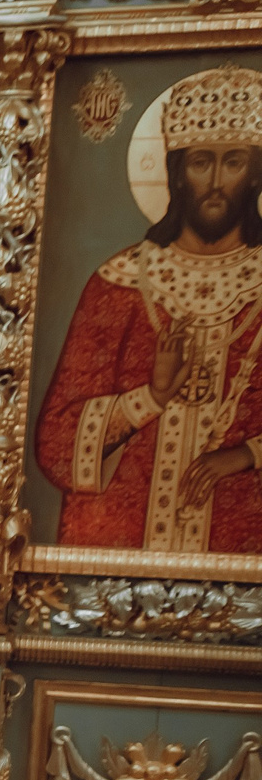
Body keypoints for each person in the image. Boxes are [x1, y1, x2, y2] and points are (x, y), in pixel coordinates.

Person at [36, 65, 262, 553]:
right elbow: (55, 443)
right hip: (110, 561)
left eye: (234, 162)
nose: (216, 182)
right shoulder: (117, 285)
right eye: (200, 162)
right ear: (176, 173)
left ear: (255, 175)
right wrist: (150, 399)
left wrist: (245, 455)